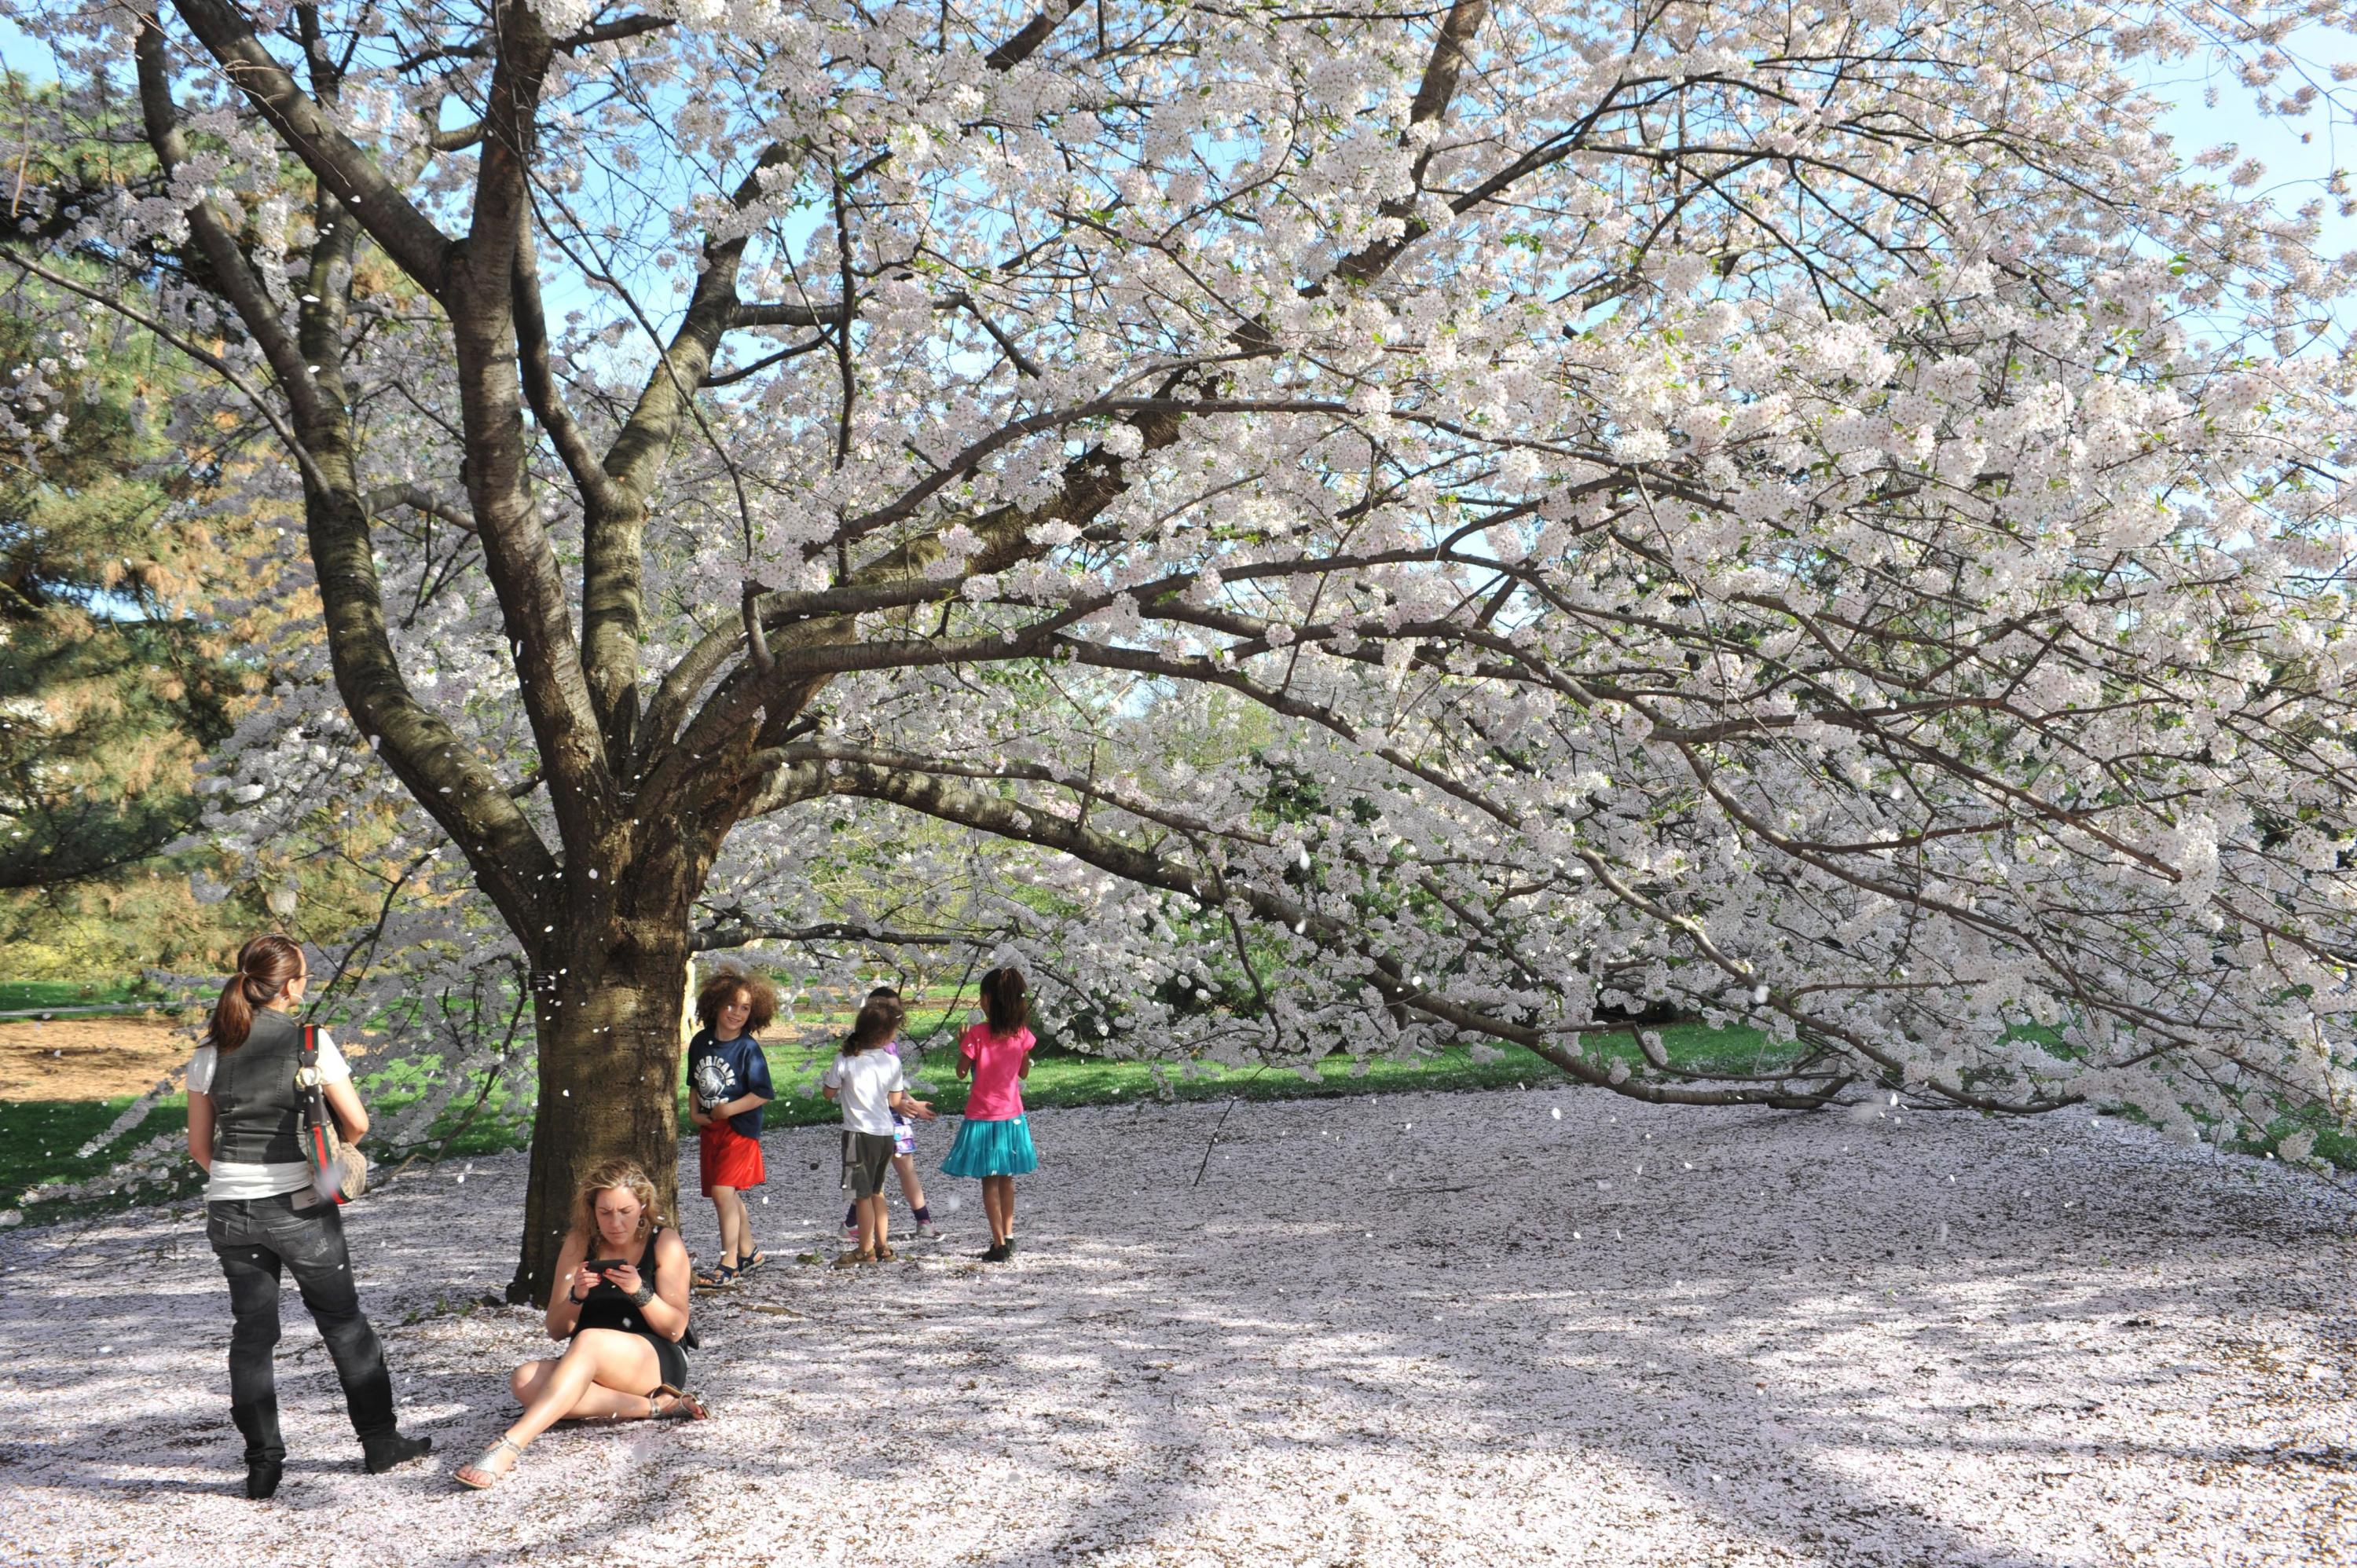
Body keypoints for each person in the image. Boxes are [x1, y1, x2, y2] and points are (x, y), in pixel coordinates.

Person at [185, 933, 433, 1499]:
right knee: (343, 1323)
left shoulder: (208, 1052)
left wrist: (239, 1181)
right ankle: (379, 1442)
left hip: (229, 1210)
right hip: (299, 1206)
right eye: (304, 977)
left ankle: (263, 1464)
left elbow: (201, 1148)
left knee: (253, 1335)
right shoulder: (309, 1042)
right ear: (292, 985)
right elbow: (359, 1123)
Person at [456, 1160, 706, 1488]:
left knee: (589, 1340)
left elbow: (674, 1328)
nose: (615, 1223)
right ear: (592, 1210)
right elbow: (557, 1330)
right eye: (605, 1212)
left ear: (643, 1206)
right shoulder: (579, 1243)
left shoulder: (664, 1241)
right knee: (526, 1380)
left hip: (656, 1360)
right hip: (592, 1361)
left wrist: (639, 1291)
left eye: (626, 1211)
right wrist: (577, 1296)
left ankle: (509, 1445)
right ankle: (655, 1407)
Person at [821, 993, 936, 1266]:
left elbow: (828, 1093)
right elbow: (896, 1102)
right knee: (877, 1191)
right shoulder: (892, 1062)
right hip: (886, 1135)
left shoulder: (845, 1059)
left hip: (858, 1136)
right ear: (886, 1036)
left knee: (861, 1196)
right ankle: (883, 1245)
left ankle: (865, 1249)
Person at [685, 965, 778, 1289]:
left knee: (723, 1192)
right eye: (731, 1004)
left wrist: (730, 1109)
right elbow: (694, 1083)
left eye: (745, 1007)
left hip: (740, 1128)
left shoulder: (747, 1048)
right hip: (711, 1127)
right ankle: (749, 1251)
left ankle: (729, 1264)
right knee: (725, 1193)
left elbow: (763, 1093)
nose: (737, 1013)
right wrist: (695, 1113)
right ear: (715, 1004)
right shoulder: (700, 1042)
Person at [940, 966, 1039, 1262]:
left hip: (983, 1118)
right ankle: (1008, 1236)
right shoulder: (1022, 1034)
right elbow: (1023, 1072)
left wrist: (963, 1047)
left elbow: (960, 1073)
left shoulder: (977, 1035)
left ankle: (997, 1243)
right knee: (1007, 1179)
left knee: (990, 1181)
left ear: (987, 1000)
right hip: (1012, 1117)